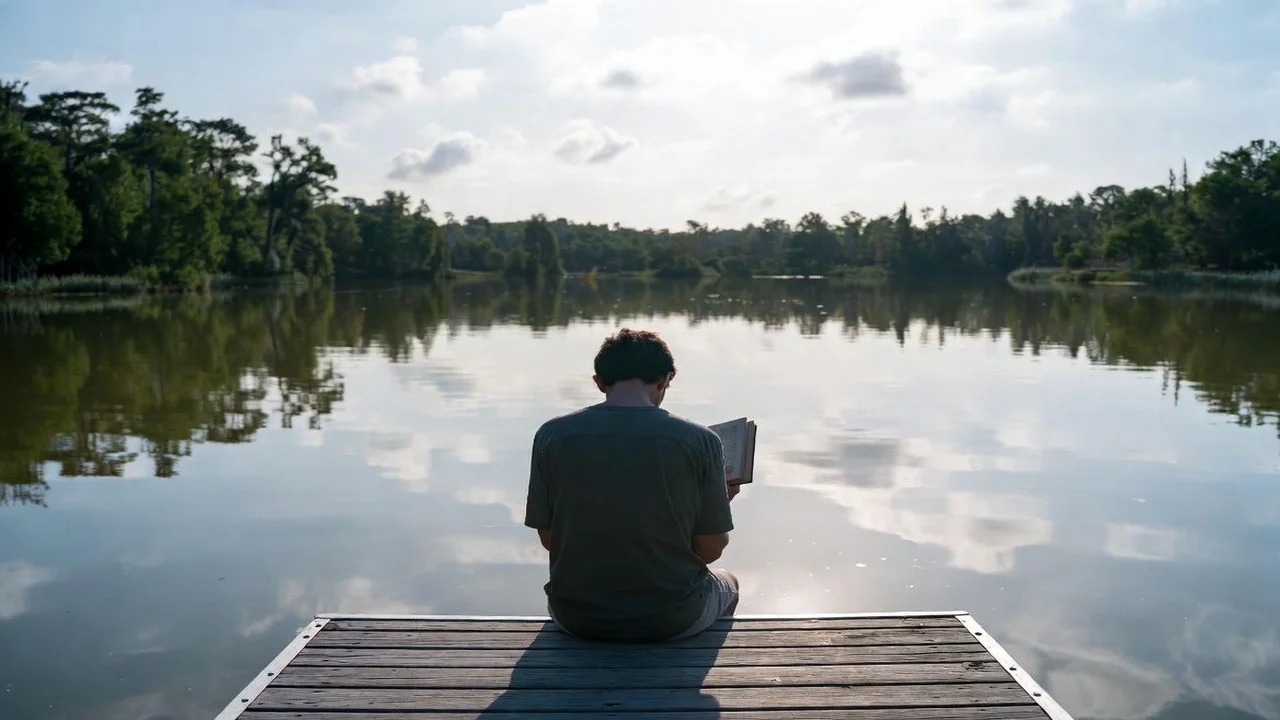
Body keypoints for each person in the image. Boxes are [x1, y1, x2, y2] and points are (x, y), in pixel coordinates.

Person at [523, 328, 741, 642]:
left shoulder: (552, 435)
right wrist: (720, 501)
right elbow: (710, 550)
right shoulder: (700, 440)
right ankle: (690, 672)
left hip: (575, 617)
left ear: (598, 382)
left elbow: (552, 541)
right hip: (671, 619)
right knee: (729, 582)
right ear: (665, 379)